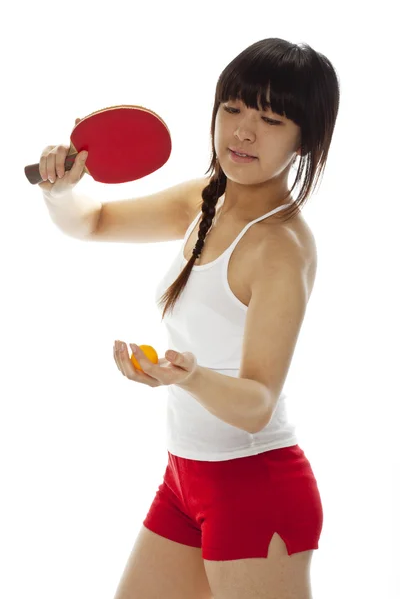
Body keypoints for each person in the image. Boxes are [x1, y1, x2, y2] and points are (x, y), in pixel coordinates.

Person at [39, 37, 340, 599]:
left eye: (271, 119)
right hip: (185, 480)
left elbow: (256, 404)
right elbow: (95, 222)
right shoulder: (207, 199)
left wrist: (188, 377)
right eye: (232, 109)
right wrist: (61, 192)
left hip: (255, 487)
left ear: (306, 139)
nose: (242, 131)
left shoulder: (281, 248)